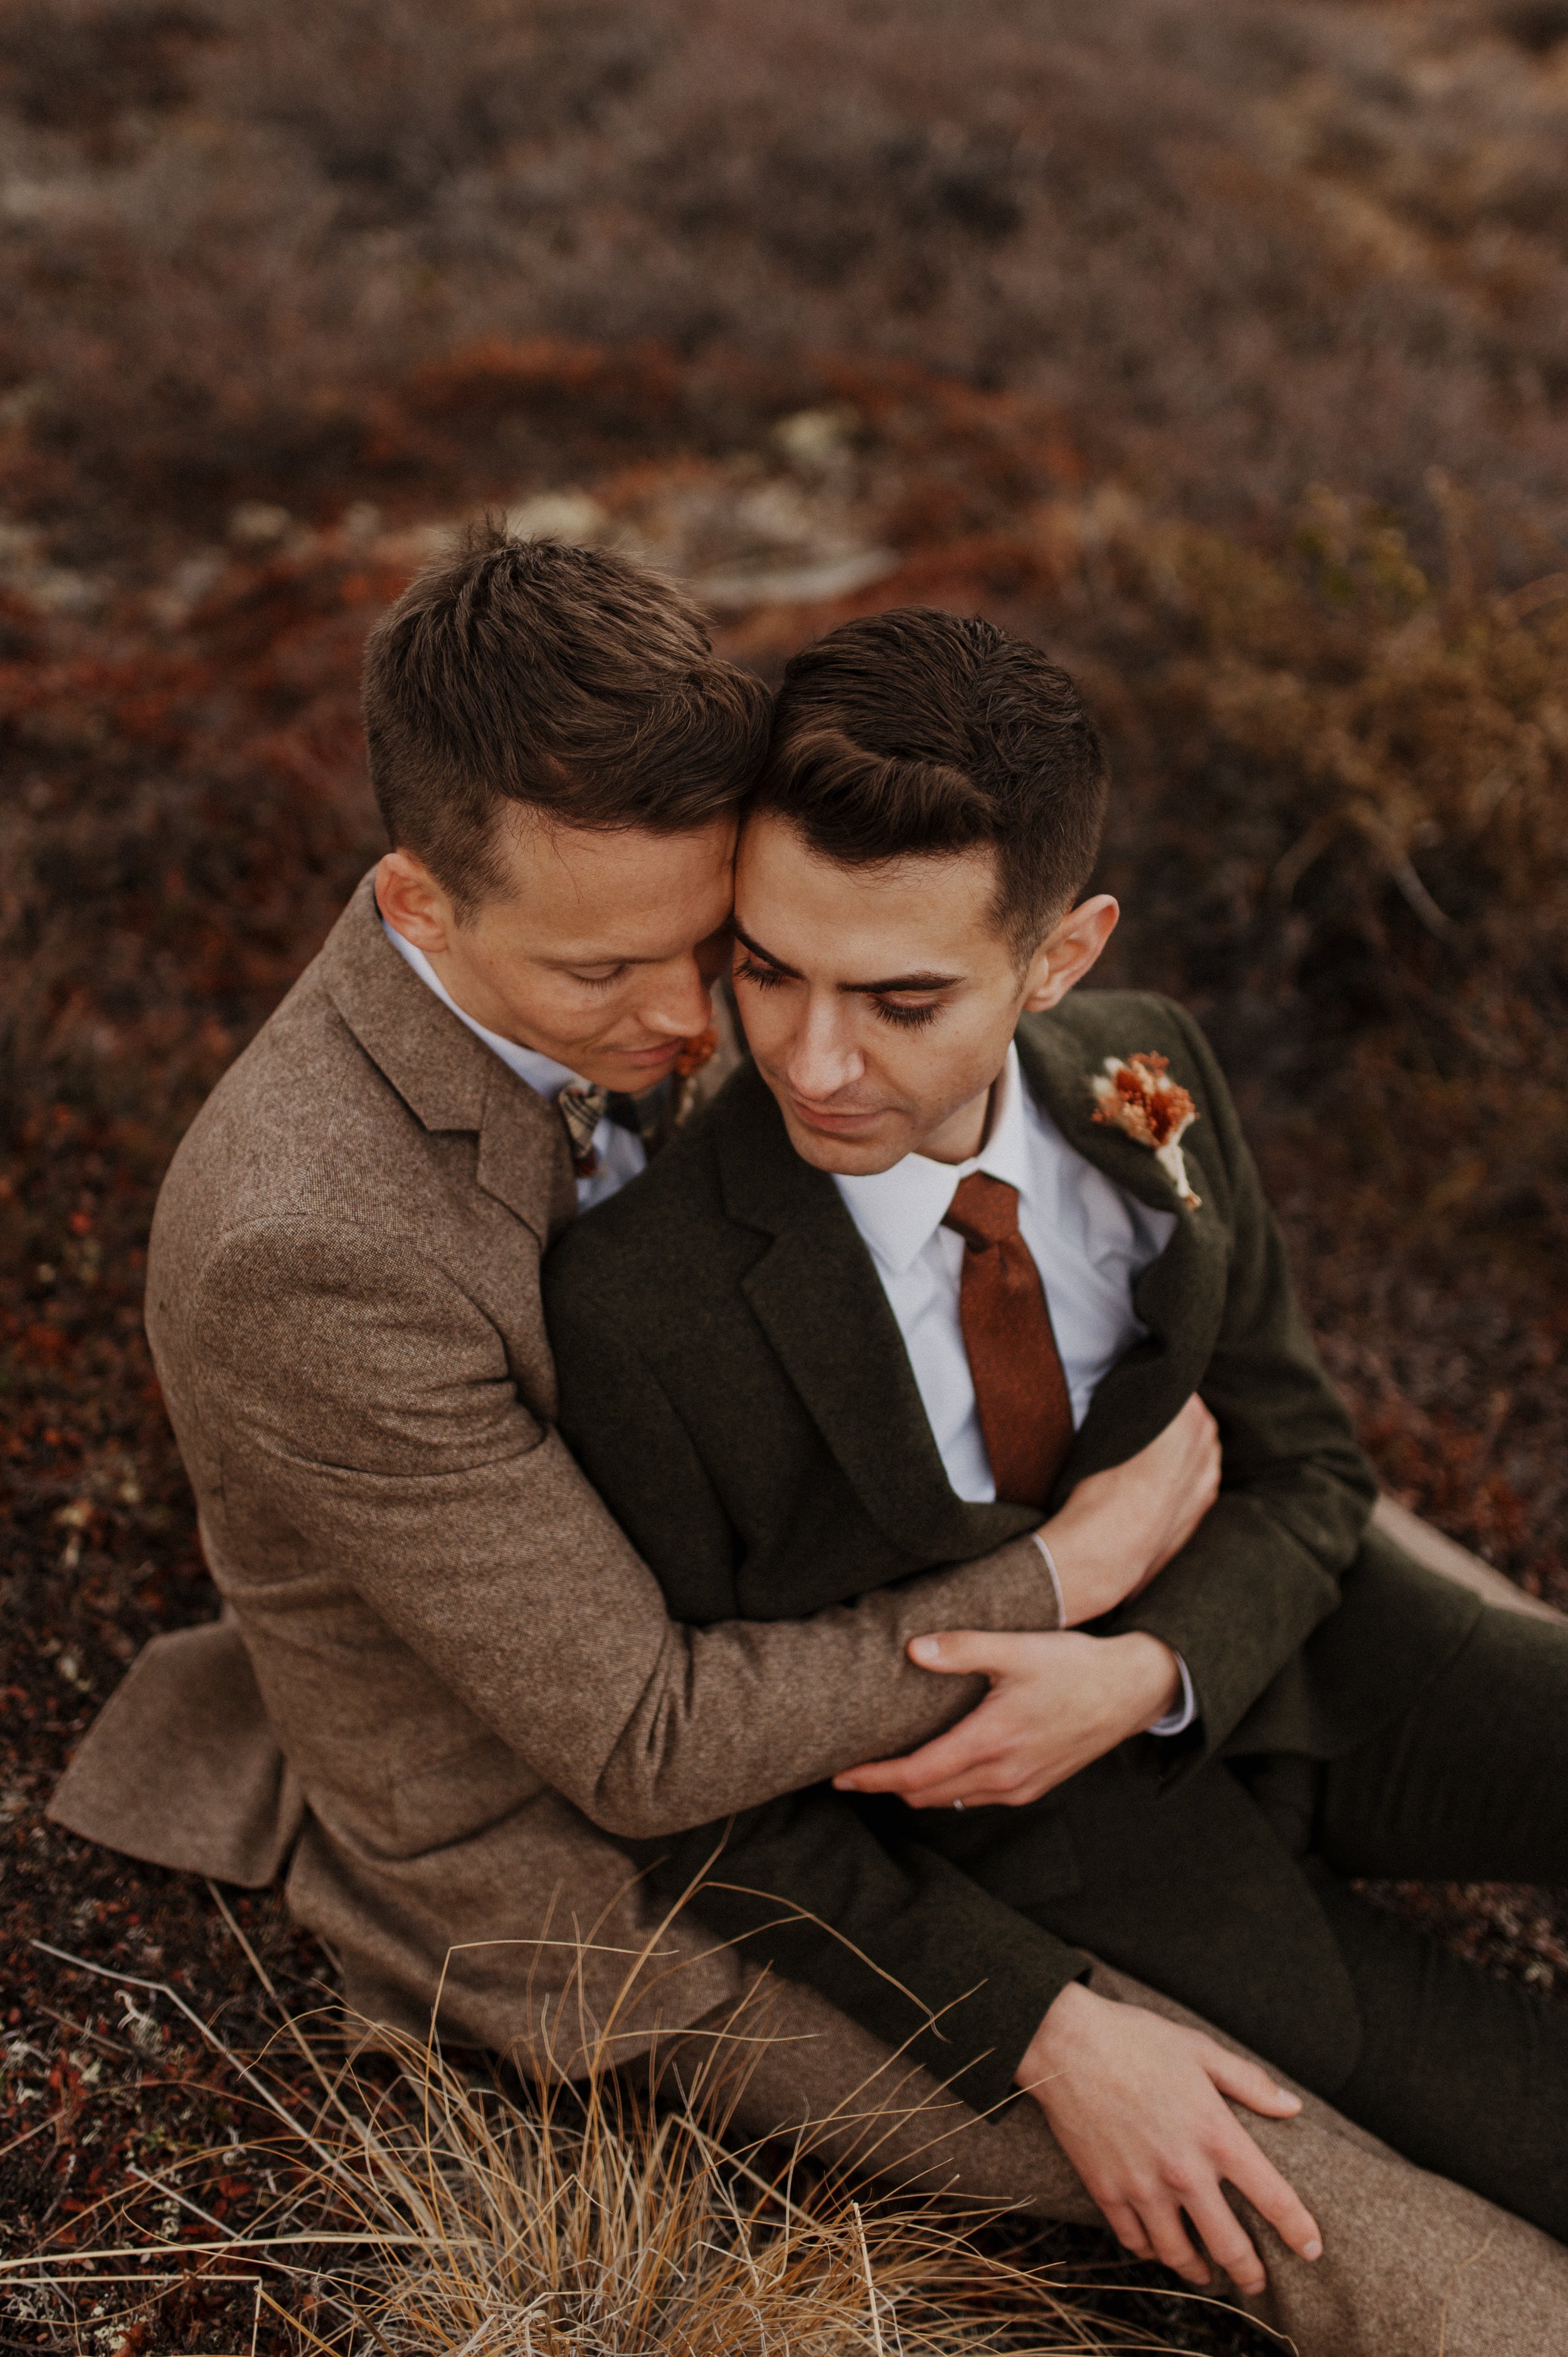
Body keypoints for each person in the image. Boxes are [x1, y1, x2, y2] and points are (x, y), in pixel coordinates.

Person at [542, 606, 1568, 2354]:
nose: (808, 1058)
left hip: (1310, 1652)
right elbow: (706, 1809)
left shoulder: (1142, 1076)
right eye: (767, 966)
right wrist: (1028, 2021)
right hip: (1078, 1859)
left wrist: (1150, 1671)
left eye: (902, 996)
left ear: (1061, 954)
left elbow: (1307, 1463)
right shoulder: (638, 1305)